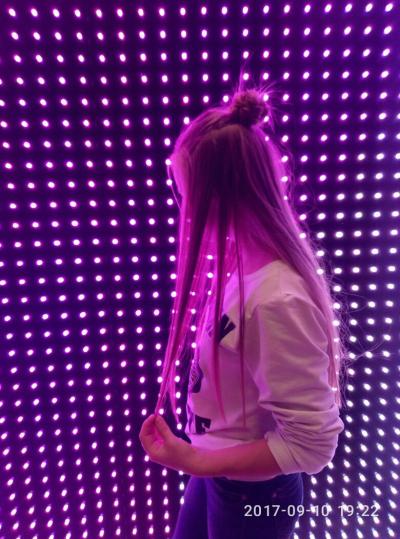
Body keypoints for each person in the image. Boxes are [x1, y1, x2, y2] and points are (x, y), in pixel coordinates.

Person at [139, 81, 349, 539]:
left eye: (187, 193)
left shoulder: (277, 298)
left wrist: (194, 459)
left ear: (217, 197)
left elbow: (313, 445)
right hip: (220, 471)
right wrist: (198, 457)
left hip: (255, 496)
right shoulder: (244, 271)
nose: (185, 208)